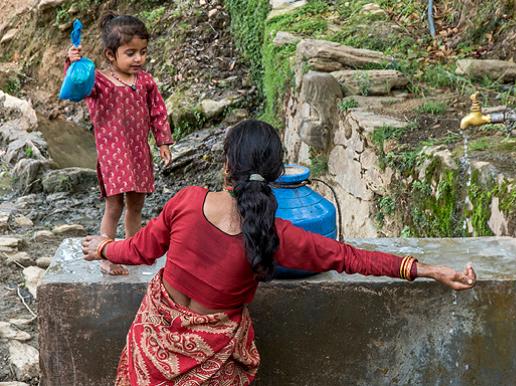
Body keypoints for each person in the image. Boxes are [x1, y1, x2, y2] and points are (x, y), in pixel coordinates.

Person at [81, 120, 477, 385]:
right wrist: (428, 269)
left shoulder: (187, 201)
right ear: (276, 174)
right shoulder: (276, 234)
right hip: (212, 368)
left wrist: (104, 248)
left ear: (226, 164)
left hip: (150, 351)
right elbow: (350, 258)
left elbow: (139, 251)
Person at [67, 12, 173, 275]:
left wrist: (162, 142)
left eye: (143, 52)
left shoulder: (145, 81)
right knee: (114, 206)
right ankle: (105, 255)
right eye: (131, 53)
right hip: (113, 154)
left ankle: (131, 249)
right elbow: (78, 85)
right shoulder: (99, 82)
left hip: (139, 152)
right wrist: (72, 63)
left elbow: (158, 111)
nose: (139, 58)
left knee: (136, 204)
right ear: (111, 55)